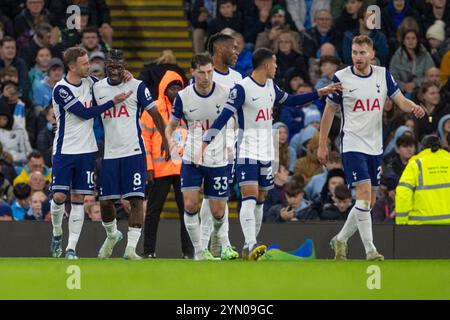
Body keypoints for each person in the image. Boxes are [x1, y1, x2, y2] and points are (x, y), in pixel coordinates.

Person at [203, 48, 341, 260]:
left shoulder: (270, 87)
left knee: (260, 198)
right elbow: (224, 117)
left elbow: (292, 100)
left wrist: (319, 93)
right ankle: (250, 244)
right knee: (249, 195)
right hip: (247, 150)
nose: (277, 67)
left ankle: (251, 246)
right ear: (266, 65)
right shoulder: (242, 89)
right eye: (275, 63)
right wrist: (206, 141)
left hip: (266, 151)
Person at [318, 35, 426, 261]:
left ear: (371, 55)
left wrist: (414, 106)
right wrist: (322, 144)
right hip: (352, 144)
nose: (358, 57)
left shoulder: (382, 74)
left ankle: (340, 239)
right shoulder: (342, 78)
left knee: (369, 201)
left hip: (375, 146)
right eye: (355, 53)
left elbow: (400, 101)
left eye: (362, 53)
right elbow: (329, 112)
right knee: (364, 195)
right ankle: (370, 250)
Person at [49, 47, 133, 260]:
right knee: (59, 196)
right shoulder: (61, 89)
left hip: (87, 150)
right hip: (64, 150)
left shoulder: (91, 82)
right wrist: (112, 102)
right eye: (84, 63)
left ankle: (70, 248)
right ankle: (57, 232)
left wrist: (125, 77)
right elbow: (85, 113)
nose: (89, 66)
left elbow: (110, 85)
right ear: (72, 66)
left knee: (79, 198)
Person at [93, 49, 167, 260]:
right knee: (106, 202)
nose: (115, 70)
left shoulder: (136, 86)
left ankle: (130, 249)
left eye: (119, 66)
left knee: (136, 199)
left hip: (134, 152)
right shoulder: (97, 88)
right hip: (109, 154)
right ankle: (112, 235)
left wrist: (166, 141)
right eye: (111, 66)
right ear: (105, 65)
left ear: (124, 65)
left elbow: (155, 115)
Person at [165, 53, 233, 261]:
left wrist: (231, 144)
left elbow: (234, 122)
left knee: (218, 212)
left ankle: (218, 239)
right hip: (192, 158)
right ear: (192, 72)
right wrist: (171, 142)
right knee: (190, 205)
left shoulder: (225, 93)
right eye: (201, 72)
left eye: (210, 72)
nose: (206, 77)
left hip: (219, 158)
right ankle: (199, 251)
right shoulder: (184, 97)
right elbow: (171, 126)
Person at [141, 71, 193, 259]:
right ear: (164, 89)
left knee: (187, 212)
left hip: (182, 168)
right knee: (153, 212)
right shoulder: (153, 109)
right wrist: (148, 166)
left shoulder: (187, 108)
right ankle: (148, 251)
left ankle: (189, 252)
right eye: (173, 87)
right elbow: (145, 139)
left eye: (179, 87)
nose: (177, 90)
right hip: (160, 169)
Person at [199, 33, 241, 260]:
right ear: (218, 49)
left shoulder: (237, 78)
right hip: (207, 144)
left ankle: (212, 243)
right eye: (232, 48)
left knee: (218, 196)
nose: (236, 52)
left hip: (230, 145)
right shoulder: (203, 77)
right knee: (212, 195)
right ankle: (213, 243)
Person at [396, 134, 450, 225]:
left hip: (421, 224)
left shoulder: (415, 163)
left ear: (422, 147)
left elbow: (403, 192)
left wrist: (401, 221)